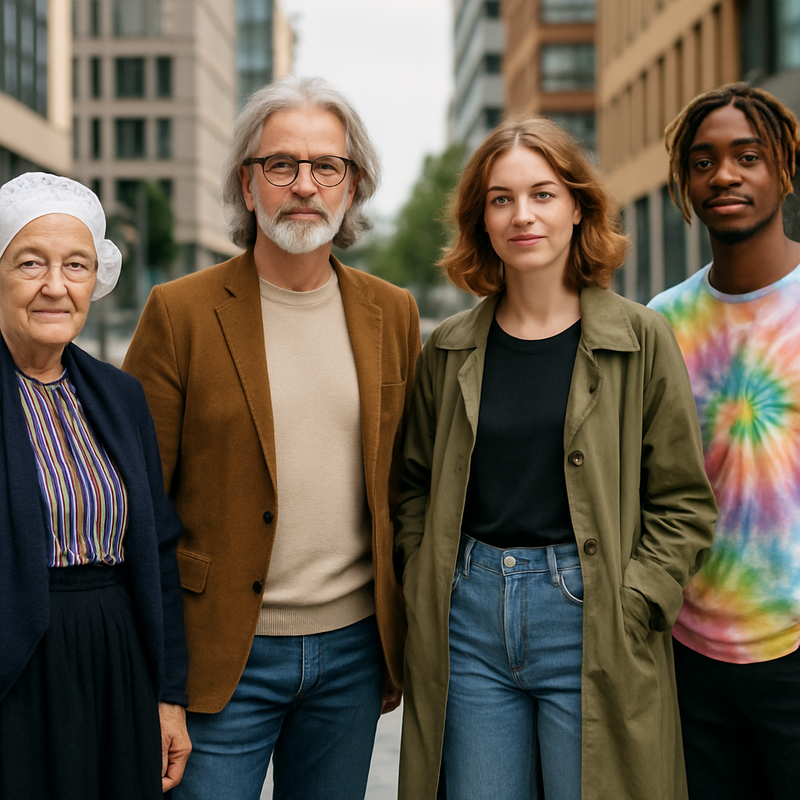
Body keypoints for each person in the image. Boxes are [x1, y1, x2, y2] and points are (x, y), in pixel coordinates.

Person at [394, 116, 718, 800]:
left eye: (542, 194)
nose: (523, 216)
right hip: (470, 618)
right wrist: (426, 575)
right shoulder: (449, 348)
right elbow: (414, 485)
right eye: (501, 198)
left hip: (591, 614)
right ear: (481, 218)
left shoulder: (641, 338)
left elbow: (684, 502)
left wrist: (637, 599)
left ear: (578, 206)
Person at [123, 75, 421, 800]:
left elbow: (409, 485)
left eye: (327, 166)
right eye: (281, 164)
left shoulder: (393, 313)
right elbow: (135, 501)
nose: (304, 185)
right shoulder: (180, 313)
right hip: (218, 654)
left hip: (352, 653)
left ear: (353, 187)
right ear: (246, 183)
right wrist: (157, 680)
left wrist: (398, 645)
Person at [0, 172, 190, 800]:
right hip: (16, 661)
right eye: (31, 263)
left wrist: (167, 696)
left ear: (96, 280)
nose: (56, 286)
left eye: (76, 265)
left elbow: (158, 551)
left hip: (116, 658)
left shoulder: (118, 394)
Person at [648, 82, 800, 799]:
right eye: (704, 162)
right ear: (686, 182)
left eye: (748, 156)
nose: (726, 175)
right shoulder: (664, 322)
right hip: (691, 658)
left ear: (783, 169)